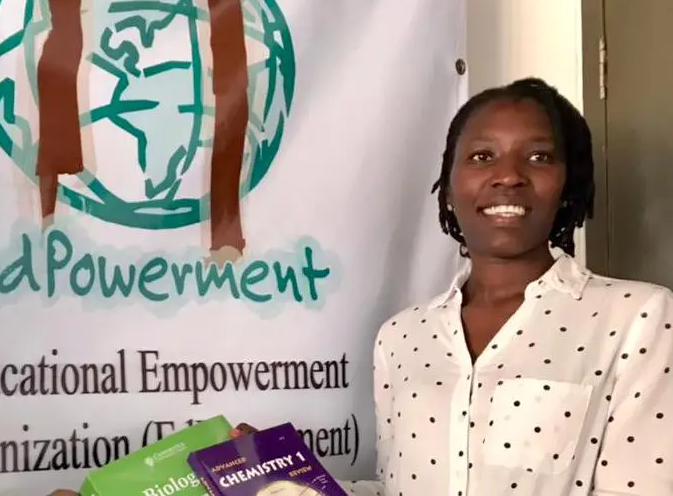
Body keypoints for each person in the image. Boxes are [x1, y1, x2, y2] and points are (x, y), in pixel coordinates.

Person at [45, 79, 673, 496]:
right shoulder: (404, 337)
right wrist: (265, 476)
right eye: (481, 156)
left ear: (570, 180)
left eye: (538, 157)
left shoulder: (635, 318)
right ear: (450, 182)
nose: (507, 176)